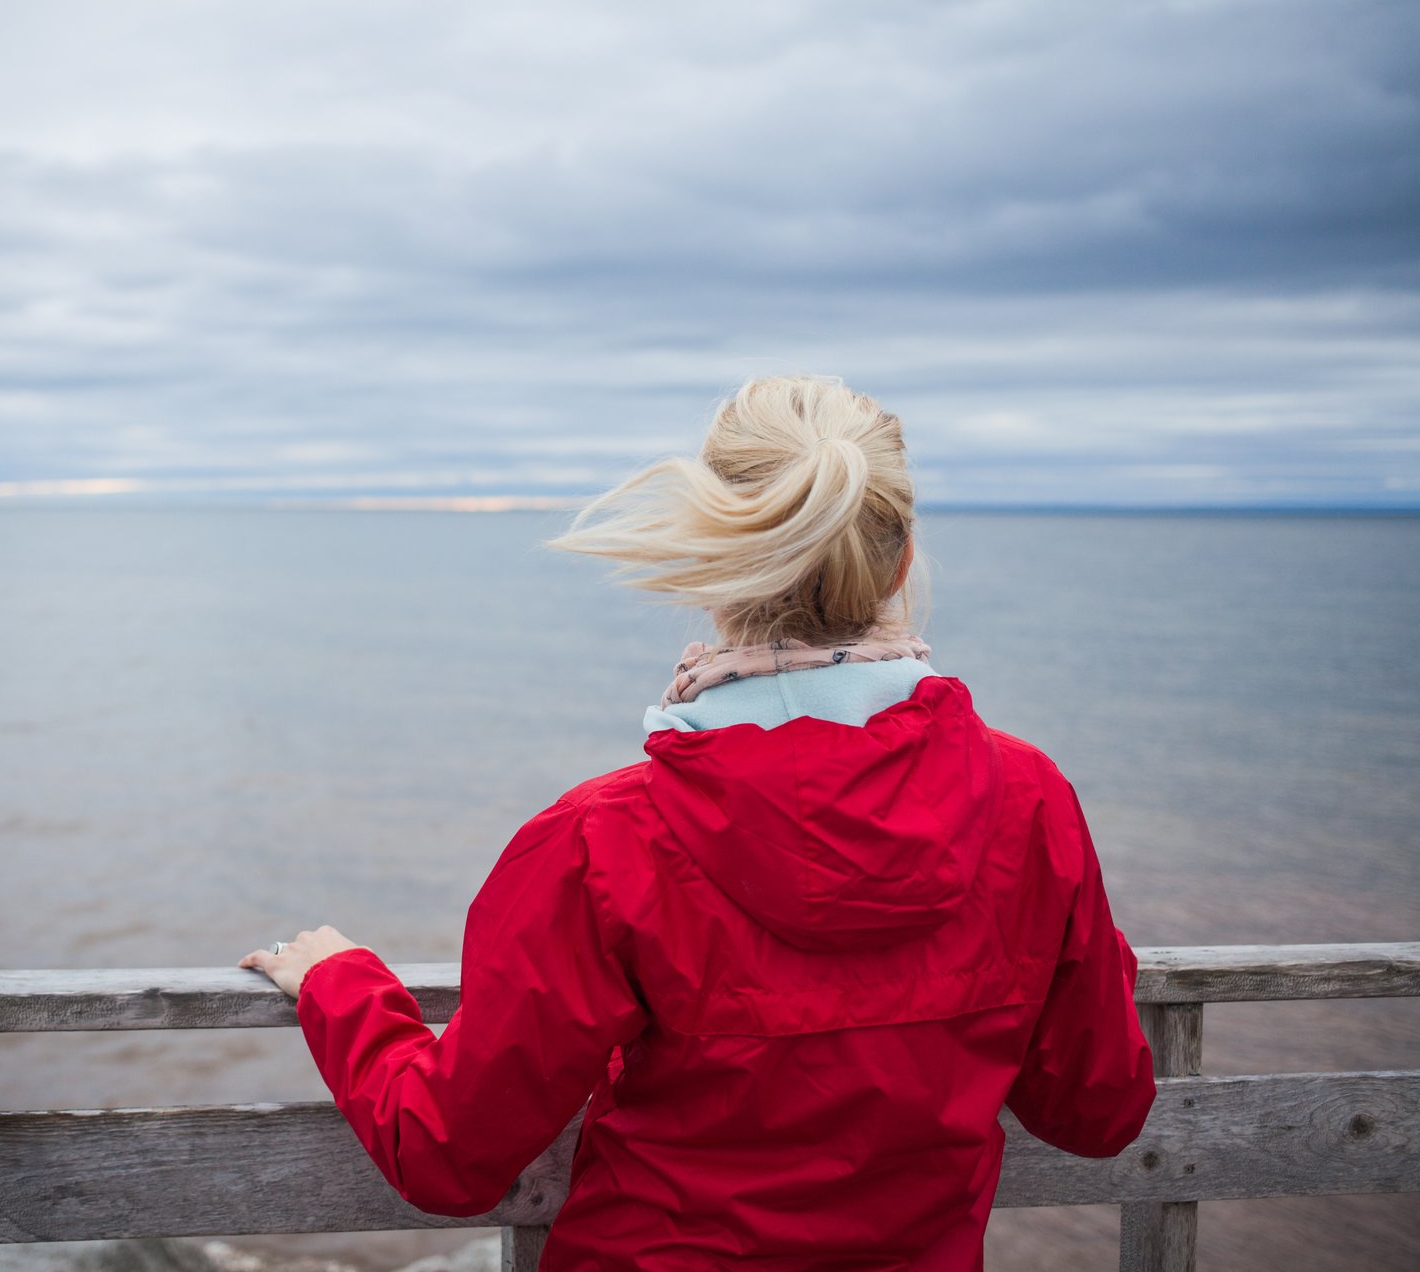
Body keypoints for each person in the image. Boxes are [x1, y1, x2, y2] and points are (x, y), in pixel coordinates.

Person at [240, 376, 1155, 1271]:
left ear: (716, 564)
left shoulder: (601, 838)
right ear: (903, 559)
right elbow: (1096, 1112)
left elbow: (447, 1154)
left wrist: (342, 986)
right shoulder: (1030, 801)